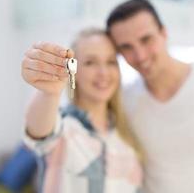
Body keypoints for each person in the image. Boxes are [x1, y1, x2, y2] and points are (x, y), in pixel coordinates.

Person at [22, 0, 194, 193]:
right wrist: (49, 93)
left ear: (164, 33)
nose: (139, 55)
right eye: (126, 48)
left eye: (146, 39)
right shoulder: (118, 106)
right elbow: (44, 132)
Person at [21, 28, 143, 193]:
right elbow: (39, 132)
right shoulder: (63, 125)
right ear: (74, 71)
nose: (103, 72)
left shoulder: (126, 131)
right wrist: (49, 93)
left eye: (110, 62)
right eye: (90, 62)